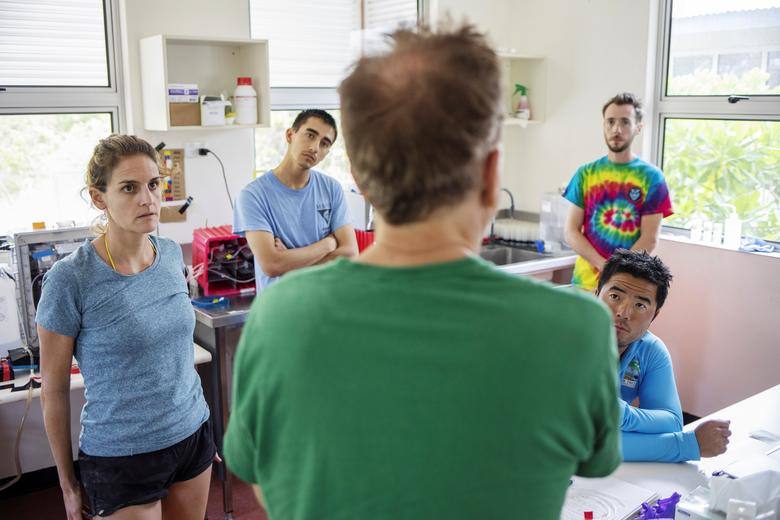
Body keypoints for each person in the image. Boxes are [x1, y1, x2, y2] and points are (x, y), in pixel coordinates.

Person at [224, 24, 621, 519]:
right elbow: (593, 466)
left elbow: (265, 484)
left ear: (361, 181)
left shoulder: (280, 315)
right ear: (491, 174)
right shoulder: (580, 327)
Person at [37, 135, 214, 519]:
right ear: (99, 198)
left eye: (153, 184)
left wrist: (200, 424)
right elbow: (52, 390)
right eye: (129, 188)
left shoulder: (168, 254)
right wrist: (67, 484)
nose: (148, 198)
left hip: (191, 437)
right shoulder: (71, 279)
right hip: (123, 456)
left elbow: (177, 352)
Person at [596, 249, 732, 462]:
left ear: (655, 315)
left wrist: (619, 414)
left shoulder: (650, 350)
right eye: (615, 296)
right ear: (597, 293)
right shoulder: (564, 344)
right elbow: (588, 446)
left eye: (640, 305)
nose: (624, 312)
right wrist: (688, 445)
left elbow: (671, 422)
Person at [233, 109, 358, 292]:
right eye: (310, 135)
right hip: (280, 311)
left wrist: (290, 267)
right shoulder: (253, 196)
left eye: (324, 143)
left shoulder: (332, 189)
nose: (315, 147)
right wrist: (327, 245)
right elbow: (272, 265)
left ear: (327, 152)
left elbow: (349, 253)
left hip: (325, 305)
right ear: (290, 135)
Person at [563, 92, 673, 291]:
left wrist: (617, 272)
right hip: (584, 283)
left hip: (626, 287)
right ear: (603, 125)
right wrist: (603, 265)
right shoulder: (585, 173)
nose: (616, 129)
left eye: (625, 122)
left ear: (638, 127)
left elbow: (650, 238)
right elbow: (571, 232)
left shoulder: (652, 178)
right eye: (610, 122)